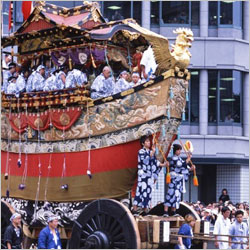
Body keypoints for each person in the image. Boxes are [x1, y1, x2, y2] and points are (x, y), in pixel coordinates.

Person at [133, 135, 168, 213]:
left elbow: (155, 162)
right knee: (141, 191)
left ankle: (145, 209)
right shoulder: (141, 151)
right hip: (143, 175)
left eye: (149, 141)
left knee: (148, 192)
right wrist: (151, 154)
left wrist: (163, 164)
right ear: (143, 143)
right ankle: (135, 209)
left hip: (149, 175)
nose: (149, 143)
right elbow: (144, 161)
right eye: (147, 141)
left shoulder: (150, 151)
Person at [164, 144, 195, 217]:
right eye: (178, 150)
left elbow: (184, 167)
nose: (180, 151)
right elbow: (180, 165)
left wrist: (191, 169)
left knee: (176, 195)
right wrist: (188, 159)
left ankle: (173, 211)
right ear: (175, 150)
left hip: (178, 180)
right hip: (174, 179)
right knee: (170, 193)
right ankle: (165, 211)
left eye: (180, 150)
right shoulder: (174, 158)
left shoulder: (179, 158)